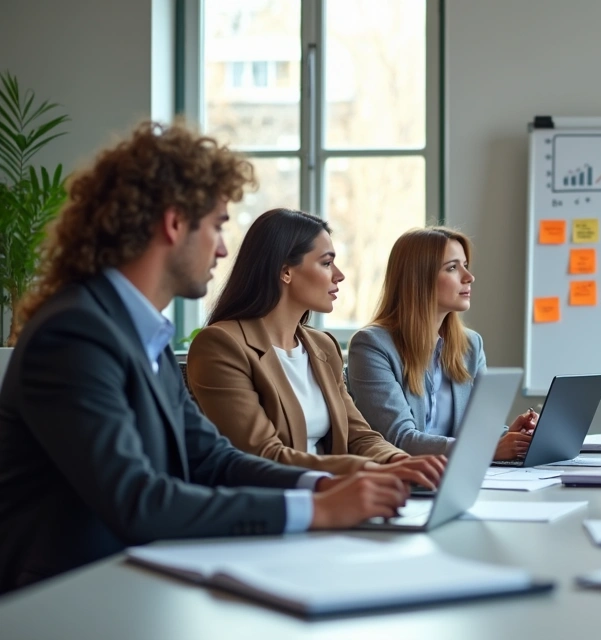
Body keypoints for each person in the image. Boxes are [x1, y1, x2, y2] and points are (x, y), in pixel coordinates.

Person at [0, 122, 420, 594]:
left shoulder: (141, 334)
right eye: (218, 224)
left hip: (140, 577)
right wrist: (317, 510)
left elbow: (215, 460)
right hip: (69, 597)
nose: (223, 247)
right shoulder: (74, 334)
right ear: (175, 222)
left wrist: (321, 488)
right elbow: (137, 499)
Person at [186, 209, 445, 483]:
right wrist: (369, 470)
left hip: (339, 496)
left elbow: (360, 436)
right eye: (326, 263)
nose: (339, 275)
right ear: (285, 271)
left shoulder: (322, 346)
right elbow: (261, 455)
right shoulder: (221, 345)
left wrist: (402, 463)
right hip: (273, 507)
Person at [347, 227, 537, 460]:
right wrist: (486, 449)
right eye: (452, 268)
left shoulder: (471, 345)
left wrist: (509, 436)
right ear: (418, 278)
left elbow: (476, 432)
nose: (469, 277)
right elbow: (398, 438)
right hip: (402, 482)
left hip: (457, 478)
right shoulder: (371, 345)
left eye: (465, 265)